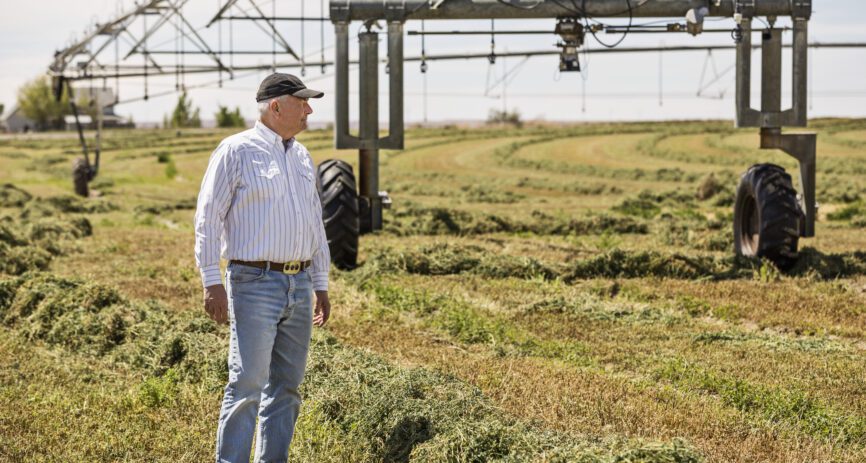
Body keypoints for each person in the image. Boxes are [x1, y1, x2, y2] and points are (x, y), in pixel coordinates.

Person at [194, 73, 331, 463]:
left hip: (299, 283)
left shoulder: (302, 156)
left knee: (287, 387)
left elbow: (314, 222)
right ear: (276, 106)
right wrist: (211, 281)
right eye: (301, 102)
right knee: (247, 385)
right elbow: (209, 218)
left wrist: (319, 282)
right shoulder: (235, 150)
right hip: (253, 282)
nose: (308, 109)